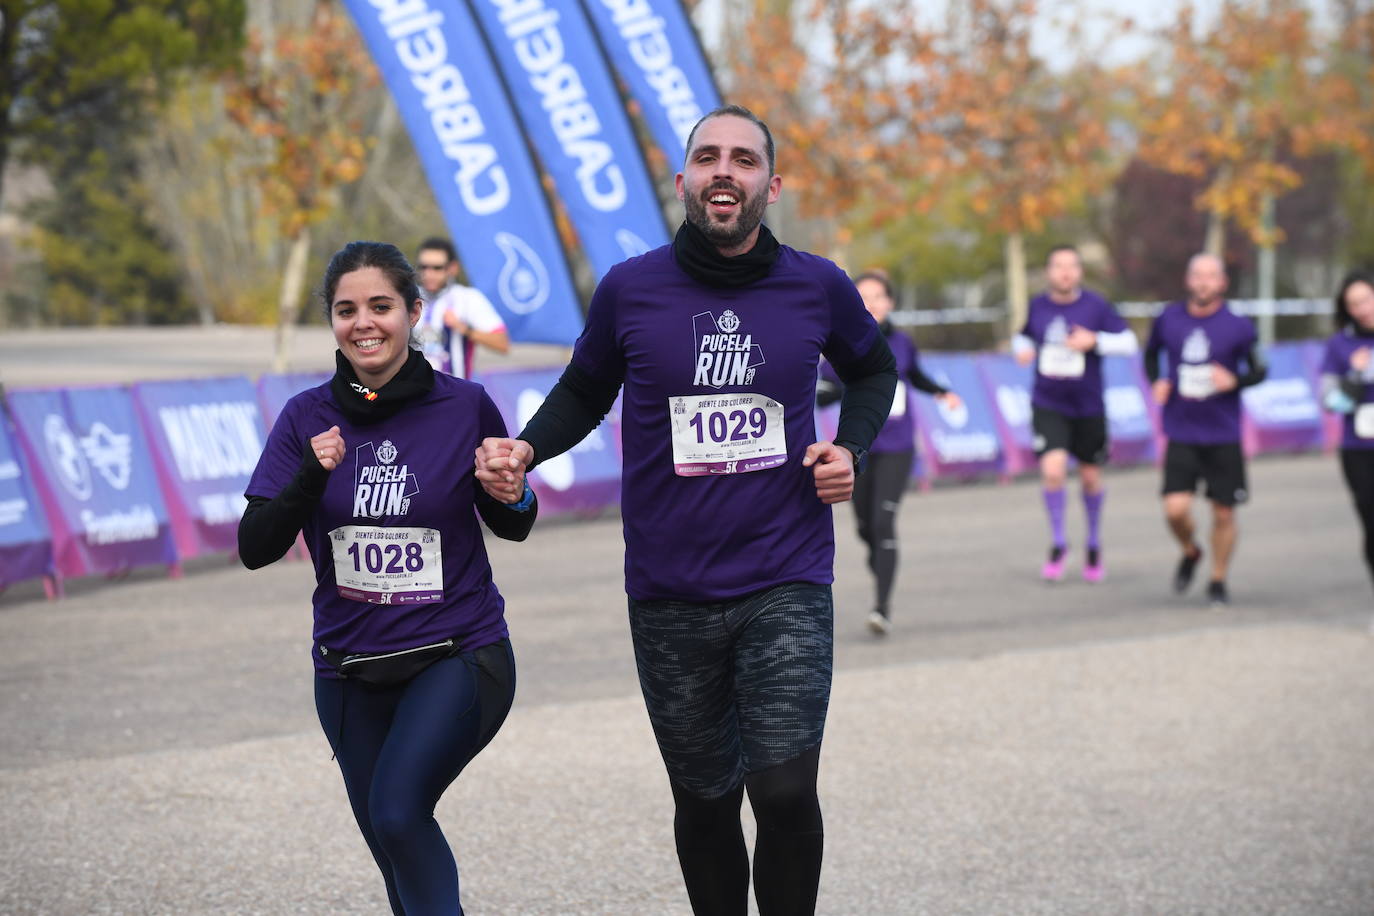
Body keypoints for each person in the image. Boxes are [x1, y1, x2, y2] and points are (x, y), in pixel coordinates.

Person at [476, 105, 897, 915]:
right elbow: (583, 391)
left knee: (780, 791)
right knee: (705, 801)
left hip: (787, 577)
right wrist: (526, 448)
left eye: (743, 160)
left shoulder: (818, 284)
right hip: (670, 589)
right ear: (684, 181)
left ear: (771, 185)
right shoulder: (632, 290)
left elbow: (873, 372)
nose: (724, 172)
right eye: (708, 157)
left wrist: (852, 447)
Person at [238, 241, 536, 915]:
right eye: (346, 310)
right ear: (332, 321)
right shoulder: (306, 418)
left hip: (456, 654)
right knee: (389, 844)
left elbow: (513, 520)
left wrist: (511, 490)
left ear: (414, 312)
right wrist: (310, 477)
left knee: (400, 813)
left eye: (381, 306)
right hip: (346, 670)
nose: (363, 323)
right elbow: (256, 546)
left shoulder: (465, 407)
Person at [818, 270, 962, 635]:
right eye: (863, 298)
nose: (871, 304)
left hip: (898, 447)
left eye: (878, 297)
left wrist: (942, 393)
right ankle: (880, 556)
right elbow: (827, 388)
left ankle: (881, 608)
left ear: (890, 303)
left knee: (883, 522)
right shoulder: (843, 341)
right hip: (856, 448)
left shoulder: (903, 343)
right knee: (866, 526)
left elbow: (916, 376)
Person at [1143, 252, 1266, 607]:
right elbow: (1151, 355)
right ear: (1187, 279)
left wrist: (1234, 380)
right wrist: (1156, 381)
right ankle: (1191, 549)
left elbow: (1260, 370)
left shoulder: (1239, 326)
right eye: (1197, 275)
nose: (1203, 282)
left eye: (1210, 276)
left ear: (1222, 283)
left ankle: (1218, 579)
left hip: (1223, 432)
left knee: (1224, 512)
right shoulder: (1168, 319)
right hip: (1181, 429)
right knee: (1174, 510)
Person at [1012, 245, 1138, 583]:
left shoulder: (1096, 306)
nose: (1065, 272)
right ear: (1049, 272)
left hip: (1088, 406)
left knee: (1090, 478)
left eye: (1072, 266)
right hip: (1048, 402)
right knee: (1053, 472)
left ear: (1079, 272)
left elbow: (1128, 342)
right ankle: (1058, 542)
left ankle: (1094, 543)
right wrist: (1022, 349)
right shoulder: (1039, 305)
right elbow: (1021, 337)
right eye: (1058, 266)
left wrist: (1094, 341)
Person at [1319, 269, 1374, 599]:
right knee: (1371, 521)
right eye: (1354, 304)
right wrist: (1354, 373)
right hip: (1359, 449)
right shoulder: (1340, 345)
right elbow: (1330, 401)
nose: (1362, 309)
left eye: (1366, 299)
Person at [413, 236, 510, 379]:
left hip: (454, 394)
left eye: (437, 268)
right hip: (414, 394)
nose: (429, 274)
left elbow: (502, 343)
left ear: (452, 268)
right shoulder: (408, 297)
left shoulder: (467, 298)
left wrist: (463, 328)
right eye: (423, 267)